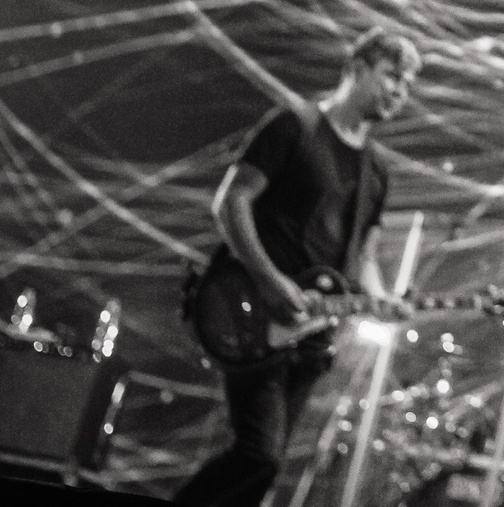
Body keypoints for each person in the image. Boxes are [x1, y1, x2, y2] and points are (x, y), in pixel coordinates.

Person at [173, 28, 423, 507]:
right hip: (250, 311)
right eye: (392, 76)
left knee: (263, 472)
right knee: (259, 455)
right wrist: (270, 281)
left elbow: (363, 256)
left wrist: (381, 300)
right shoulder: (295, 125)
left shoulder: (377, 170)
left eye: (408, 84)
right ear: (356, 67)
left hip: (309, 336)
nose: (400, 91)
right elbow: (231, 202)